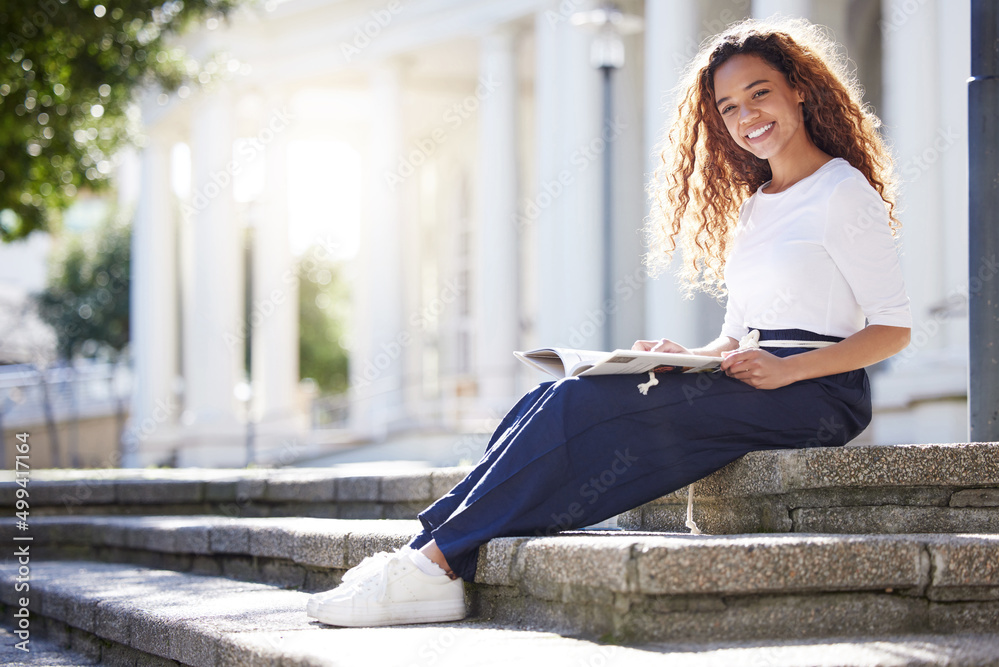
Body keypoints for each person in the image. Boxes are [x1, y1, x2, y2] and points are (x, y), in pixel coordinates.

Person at [306, 16, 912, 628]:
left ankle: (430, 564)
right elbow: (737, 333)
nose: (746, 115)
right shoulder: (755, 208)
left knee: (581, 410)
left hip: (818, 392)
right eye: (728, 107)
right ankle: (426, 556)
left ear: (798, 89)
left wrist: (789, 372)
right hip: (753, 374)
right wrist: (686, 357)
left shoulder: (842, 190)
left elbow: (892, 328)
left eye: (759, 92)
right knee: (556, 393)